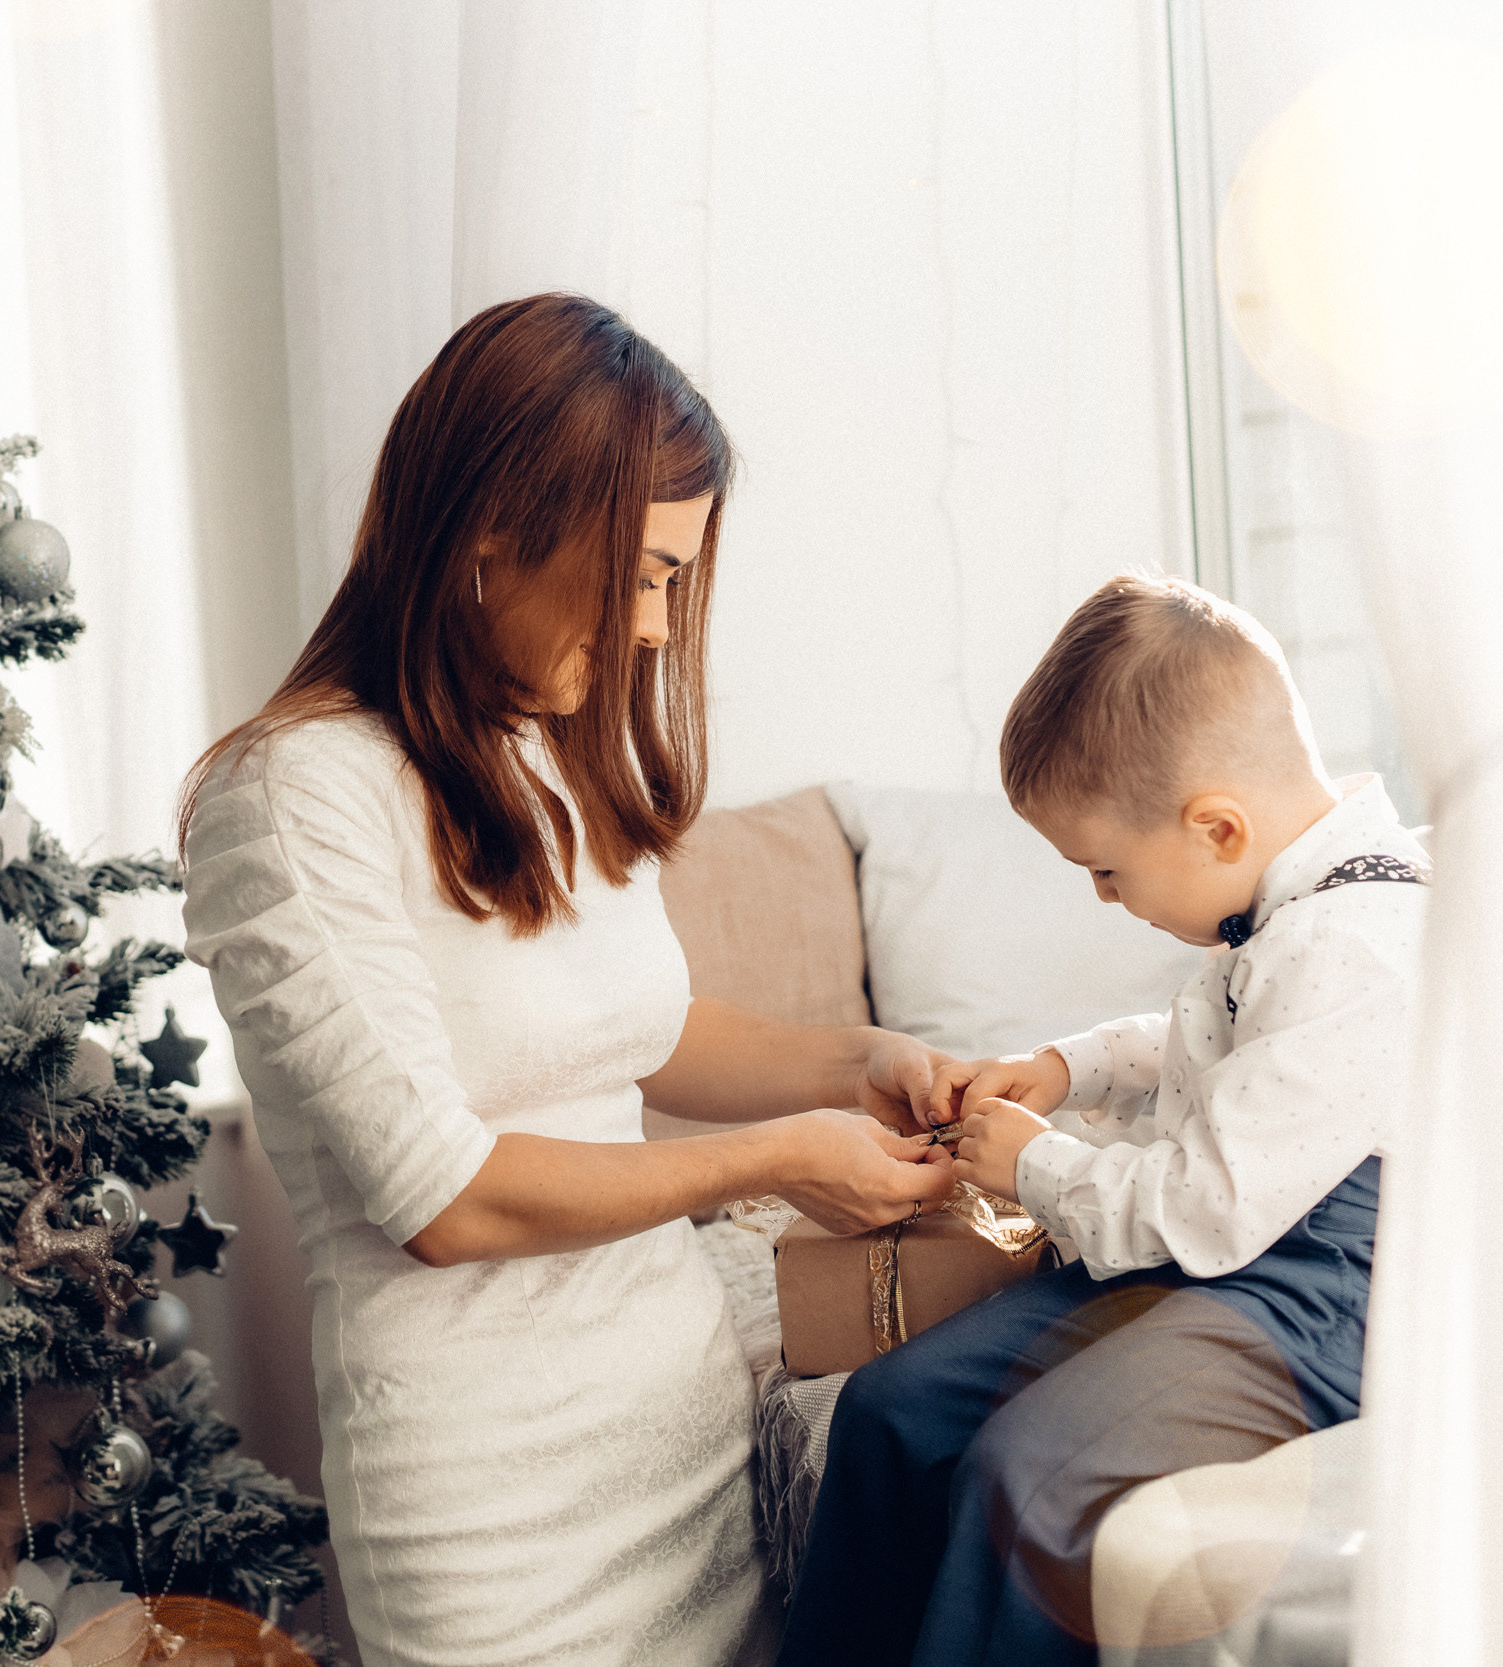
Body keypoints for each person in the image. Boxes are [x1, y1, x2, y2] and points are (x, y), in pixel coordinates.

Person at [178, 293, 958, 1667]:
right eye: (643, 574)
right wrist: (773, 1156)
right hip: (491, 1516)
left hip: (687, 1442)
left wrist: (858, 1062)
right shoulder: (291, 800)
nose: (659, 627)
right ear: (493, 532)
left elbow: (642, 1037)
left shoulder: (547, 749)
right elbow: (443, 1197)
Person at [778, 574, 1428, 1667]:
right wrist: (1058, 1068)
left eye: (1107, 872)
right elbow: (1202, 1038)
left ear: (1214, 825)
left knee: (1027, 1475)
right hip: (1229, 1245)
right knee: (891, 1413)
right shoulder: (1291, 906)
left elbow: (1203, 1205)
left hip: (1318, 1289)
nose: (1101, 896)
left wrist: (1039, 1167)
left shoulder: (1361, 945)